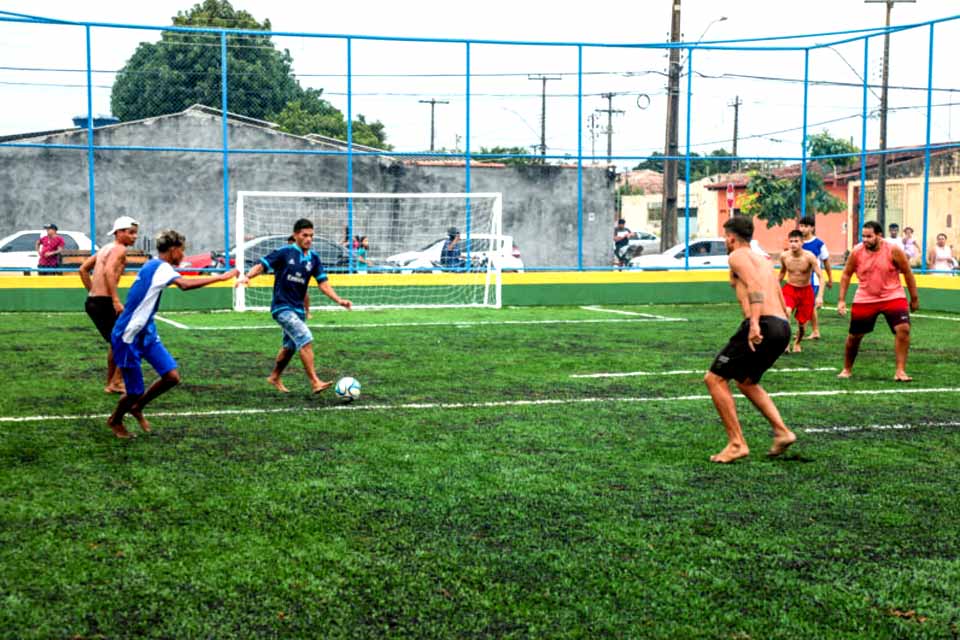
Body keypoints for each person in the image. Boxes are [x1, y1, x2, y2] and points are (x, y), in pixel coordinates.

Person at [107, 230, 238, 438]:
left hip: (146, 331)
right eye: (183, 251)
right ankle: (115, 420)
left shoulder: (153, 265)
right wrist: (221, 277)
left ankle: (137, 407)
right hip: (128, 335)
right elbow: (184, 285)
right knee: (133, 390)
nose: (183, 256)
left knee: (171, 377)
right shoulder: (161, 267)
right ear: (174, 249)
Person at [704, 216, 796, 464]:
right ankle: (782, 432)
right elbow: (777, 291)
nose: (725, 241)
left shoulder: (737, 256)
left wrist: (754, 323)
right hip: (780, 325)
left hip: (763, 322)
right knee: (746, 381)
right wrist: (784, 329)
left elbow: (755, 286)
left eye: (725, 237)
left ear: (731, 237)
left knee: (714, 379)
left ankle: (736, 444)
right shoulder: (763, 259)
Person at [236, 218, 352, 394]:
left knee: (289, 347)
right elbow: (261, 266)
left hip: (298, 310)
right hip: (282, 307)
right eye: (305, 235)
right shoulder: (284, 252)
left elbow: (323, 283)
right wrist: (247, 277)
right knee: (305, 338)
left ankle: (274, 377)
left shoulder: (314, 258)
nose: (309, 239)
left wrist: (339, 300)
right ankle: (315, 382)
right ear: (296, 235)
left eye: (311, 236)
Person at [837, 221, 919, 382]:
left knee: (903, 329)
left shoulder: (894, 250)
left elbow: (908, 273)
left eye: (869, 236)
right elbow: (846, 274)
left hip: (892, 295)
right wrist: (841, 300)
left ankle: (900, 371)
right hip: (865, 297)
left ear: (879, 236)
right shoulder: (856, 252)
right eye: (863, 236)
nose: (865, 240)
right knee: (854, 336)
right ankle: (847, 369)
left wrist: (914, 298)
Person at [79, 216, 140, 393]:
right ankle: (117, 382)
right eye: (131, 233)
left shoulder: (106, 248)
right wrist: (114, 299)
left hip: (95, 302)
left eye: (136, 233)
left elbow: (82, 269)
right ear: (119, 233)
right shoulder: (119, 249)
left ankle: (112, 383)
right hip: (104, 302)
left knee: (116, 342)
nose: (134, 237)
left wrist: (92, 292)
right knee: (126, 340)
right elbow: (108, 272)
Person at [778, 229, 824, 352]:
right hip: (790, 289)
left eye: (796, 241)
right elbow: (782, 272)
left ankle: (797, 342)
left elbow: (821, 276)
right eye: (791, 241)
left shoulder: (809, 257)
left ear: (802, 242)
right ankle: (785, 343)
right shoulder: (784, 256)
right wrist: (774, 287)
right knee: (786, 312)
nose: (793, 244)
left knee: (802, 325)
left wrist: (819, 296)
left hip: (806, 292)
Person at [798, 216, 833, 340]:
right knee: (807, 305)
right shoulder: (797, 242)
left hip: (814, 279)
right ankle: (812, 331)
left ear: (812, 228)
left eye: (806, 226)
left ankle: (807, 331)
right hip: (799, 279)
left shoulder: (819, 243)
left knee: (808, 305)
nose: (802, 229)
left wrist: (830, 278)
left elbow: (826, 262)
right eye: (801, 226)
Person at [287, 234, 311, 319]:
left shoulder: (305, 255)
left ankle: (307, 312)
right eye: (289, 244)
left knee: (304, 292)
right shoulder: (286, 254)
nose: (290, 246)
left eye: (291, 244)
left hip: (299, 278)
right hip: (287, 279)